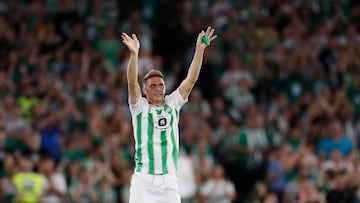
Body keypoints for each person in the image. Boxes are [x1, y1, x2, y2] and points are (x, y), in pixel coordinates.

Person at [121, 26, 217, 203]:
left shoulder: (173, 103)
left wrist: (199, 51)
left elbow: (191, 79)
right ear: (145, 90)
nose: (158, 89)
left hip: (169, 179)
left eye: (161, 85)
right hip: (144, 178)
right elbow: (131, 83)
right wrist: (134, 55)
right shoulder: (139, 107)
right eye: (153, 86)